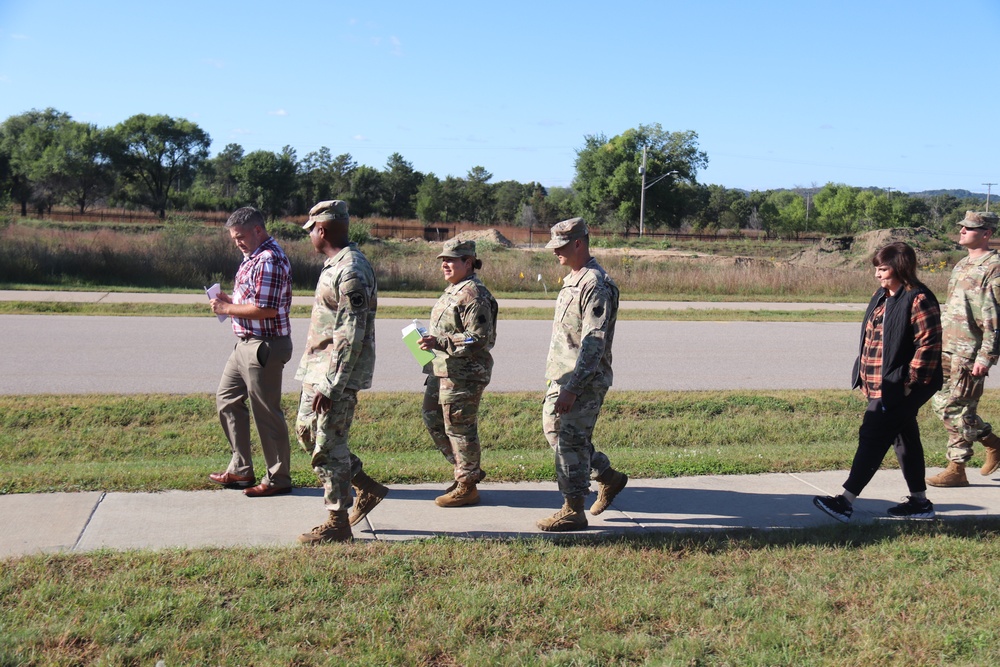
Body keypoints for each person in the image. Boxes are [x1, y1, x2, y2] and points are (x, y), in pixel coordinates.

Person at [813, 242, 943, 522]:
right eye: (877, 269)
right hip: (881, 384)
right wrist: (865, 381)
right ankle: (920, 503)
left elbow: (929, 346)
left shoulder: (919, 299)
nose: (877, 275)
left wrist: (908, 385)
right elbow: (872, 341)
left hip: (902, 386)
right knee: (904, 438)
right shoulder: (882, 296)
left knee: (873, 435)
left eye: (882, 269)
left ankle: (845, 502)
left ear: (900, 268)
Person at [294, 200, 389, 544]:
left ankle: (337, 522)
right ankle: (365, 487)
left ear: (322, 230)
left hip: (335, 376)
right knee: (306, 432)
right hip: (318, 368)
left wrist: (333, 384)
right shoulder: (334, 265)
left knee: (329, 444)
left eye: (311, 231)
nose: (310, 237)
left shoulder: (351, 270)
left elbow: (351, 332)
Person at [536, 217, 628, 531]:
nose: (554, 253)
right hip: (564, 377)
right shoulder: (574, 278)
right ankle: (608, 476)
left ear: (578, 243)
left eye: (560, 246)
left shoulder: (595, 283)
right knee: (556, 431)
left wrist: (574, 387)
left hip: (584, 379)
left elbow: (593, 342)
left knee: (568, 441)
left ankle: (573, 509)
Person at [209, 206, 294, 498]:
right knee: (227, 399)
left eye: (241, 236)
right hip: (246, 343)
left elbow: (267, 310)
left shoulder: (269, 259)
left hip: (265, 345)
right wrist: (230, 300)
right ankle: (241, 469)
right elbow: (254, 300)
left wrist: (226, 308)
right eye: (234, 238)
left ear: (258, 230)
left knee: (266, 413)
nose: (237, 243)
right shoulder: (252, 258)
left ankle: (278, 477)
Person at [417, 239, 498, 508]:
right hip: (442, 370)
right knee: (432, 417)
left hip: (464, 373)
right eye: (443, 259)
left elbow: (480, 339)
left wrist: (439, 342)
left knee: (459, 427)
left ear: (468, 262)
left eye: (451, 259)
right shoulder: (453, 290)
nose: (445, 264)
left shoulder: (475, 295)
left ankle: (467, 485)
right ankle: (466, 470)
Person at [927, 210, 1000, 487]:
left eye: (969, 228)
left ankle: (956, 469)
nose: (962, 231)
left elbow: (994, 317)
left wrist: (986, 355)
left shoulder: (994, 267)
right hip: (947, 348)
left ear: (987, 233)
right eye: (962, 227)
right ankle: (993, 443)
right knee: (941, 404)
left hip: (970, 352)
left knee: (954, 410)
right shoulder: (961, 265)